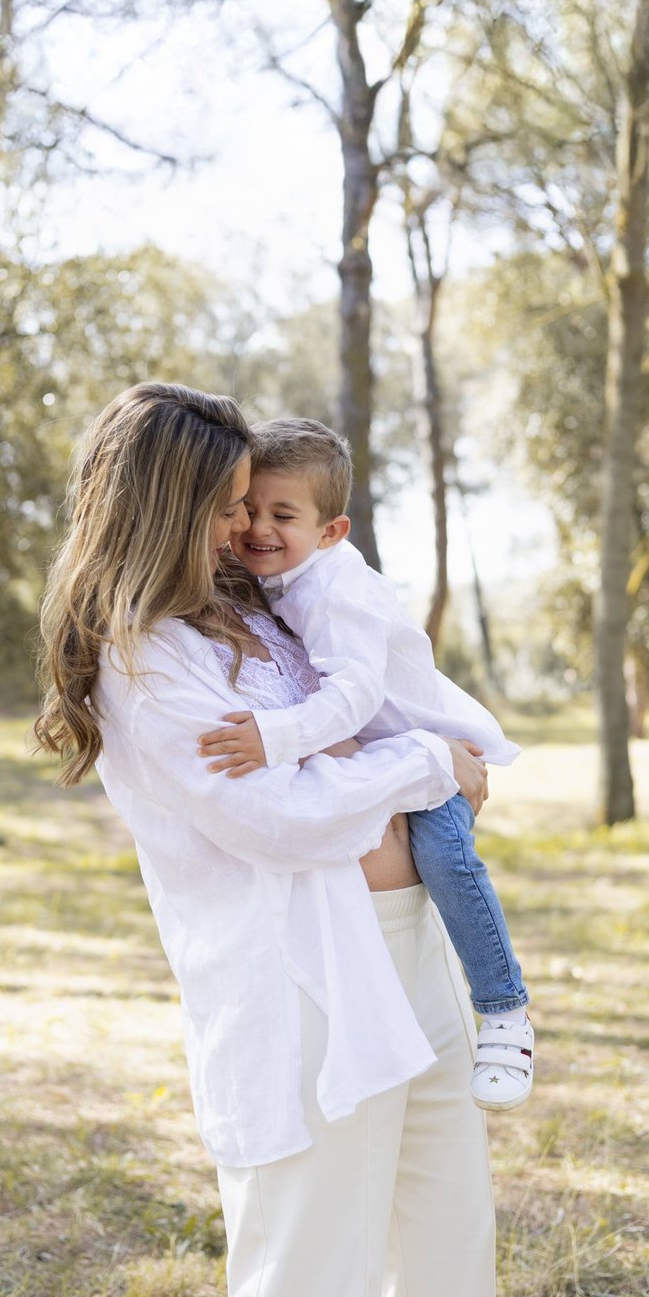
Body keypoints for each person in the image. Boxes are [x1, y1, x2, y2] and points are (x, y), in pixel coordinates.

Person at [34, 381, 500, 1297]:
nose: (244, 525)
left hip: (406, 942)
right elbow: (279, 816)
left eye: (251, 502)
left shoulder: (266, 605)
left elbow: (359, 706)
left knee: (441, 1252)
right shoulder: (146, 656)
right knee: (309, 1289)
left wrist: (413, 752)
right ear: (161, 507)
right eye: (224, 506)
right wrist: (431, 764)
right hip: (305, 982)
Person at [198, 417, 534, 1111]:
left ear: (332, 532)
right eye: (246, 509)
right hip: (389, 755)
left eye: (281, 515)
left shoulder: (338, 592)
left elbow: (353, 697)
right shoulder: (282, 569)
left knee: (448, 859)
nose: (256, 527)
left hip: (428, 749)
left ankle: (505, 1011)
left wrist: (276, 735)